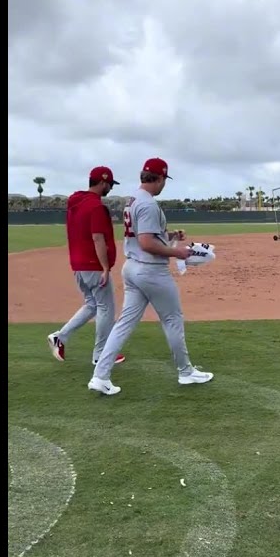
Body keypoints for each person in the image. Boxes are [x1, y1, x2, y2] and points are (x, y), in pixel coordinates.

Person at [87, 157, 213, 396]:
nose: (164, 184)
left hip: (132, 268)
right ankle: (185, 372)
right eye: (164, 179)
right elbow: (146, 242)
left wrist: (170, 235)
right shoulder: (148, 204)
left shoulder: (133, 199)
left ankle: (100, 376)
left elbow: (145, 235)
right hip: (151, 270)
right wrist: (178, 252)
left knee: (124, 323)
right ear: (160, 178)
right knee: (172, 319)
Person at [47, 166, 127, 367]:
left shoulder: (76, 202)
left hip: (78, 264)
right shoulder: (96, 206)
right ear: (103, 182)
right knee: (106, 308)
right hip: (93, 265)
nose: (110, 188)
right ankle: (101, 355)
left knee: (92, 304)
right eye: (109, 184)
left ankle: (60, 337)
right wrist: (105, 267)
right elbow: (97, 238)